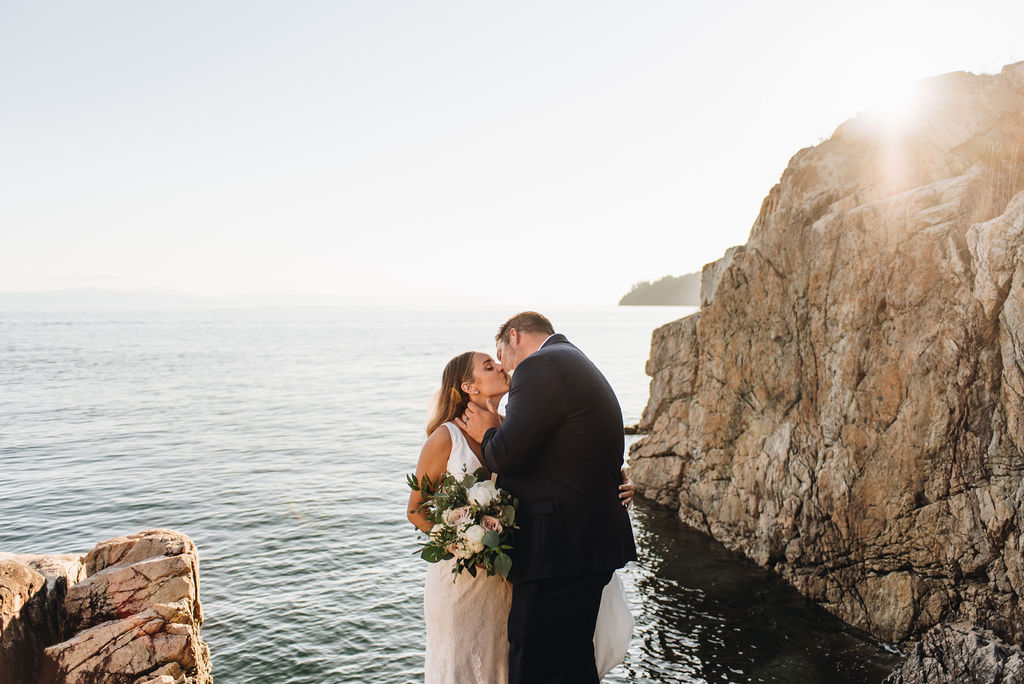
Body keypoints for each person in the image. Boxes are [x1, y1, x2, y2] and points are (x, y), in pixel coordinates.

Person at [408, 349, 634, 683]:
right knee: (462, 663)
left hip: (507, 577)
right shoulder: (445, 438)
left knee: (506, 664)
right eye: (489, 366)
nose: (501, 367)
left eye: (497, 362)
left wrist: (620, 478)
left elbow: (564, 467)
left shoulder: (510, 429)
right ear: (469, 387)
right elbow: (416, 510)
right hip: (462, 580)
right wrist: (466, 547)